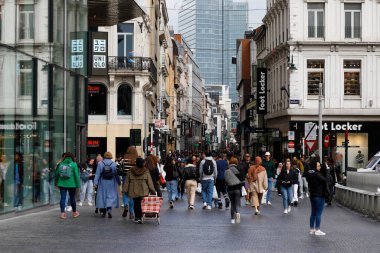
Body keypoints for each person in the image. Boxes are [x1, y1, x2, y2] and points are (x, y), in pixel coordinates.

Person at [123, 157, 156, 224]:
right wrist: (153, 190)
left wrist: (125, 190)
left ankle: (136, 217)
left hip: (133, 189)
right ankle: (140, 217)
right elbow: (149, 182)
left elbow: (127, 181)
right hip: (143, 190)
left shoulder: (131, 170)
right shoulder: (146, 171)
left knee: (136, 203)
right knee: (141, 204)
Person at [94, 152, 121, 218]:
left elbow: (97, 174)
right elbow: (116, 174)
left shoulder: (100, 163)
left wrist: (95, 183)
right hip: (111, 182)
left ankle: (103, 211)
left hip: (102, 182)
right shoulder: (113, 164)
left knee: (103, 196)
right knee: (110, 196)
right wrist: (119, 182)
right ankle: (109, 210)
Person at [54, 152, 80, 219]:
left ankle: (62, 214)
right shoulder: (74, 164)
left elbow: (56, 174)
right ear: (72, 157)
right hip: (72, 184)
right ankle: (74, 213)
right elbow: (76, 176)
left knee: (63, 198)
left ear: (64, 157)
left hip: (62, 183)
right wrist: (78, 185)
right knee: (72, 198)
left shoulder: (60, 164)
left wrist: (56, 182)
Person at [306, 161, 329, 235]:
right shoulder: (317, 175)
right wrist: (327, 170)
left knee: (313, 213)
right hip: (319, 195)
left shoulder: (310, 175)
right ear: (315, 167)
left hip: (312, 195)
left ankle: (312, 229)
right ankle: (317, 229)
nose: (319, 167)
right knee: (318, 213)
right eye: (318, 166)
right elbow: (326, 180)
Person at [225, 157, 244, 224]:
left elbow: (225, 180)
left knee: (232, 204)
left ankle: (232, 219)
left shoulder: (227, 169)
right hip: (237, 188)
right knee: (237, 203)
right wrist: (246, 187)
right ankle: (238, 213)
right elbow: (242, 179)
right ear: (236, 162)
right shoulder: (239, 169)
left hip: (230, 189)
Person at [120, 146, 138, 219]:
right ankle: (131, 213)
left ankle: (125, 205)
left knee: (125, 193)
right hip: (134, 179)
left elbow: (120, 168)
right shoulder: (136, 160)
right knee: (132, 196)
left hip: (125, 178)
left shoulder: (124, 160)